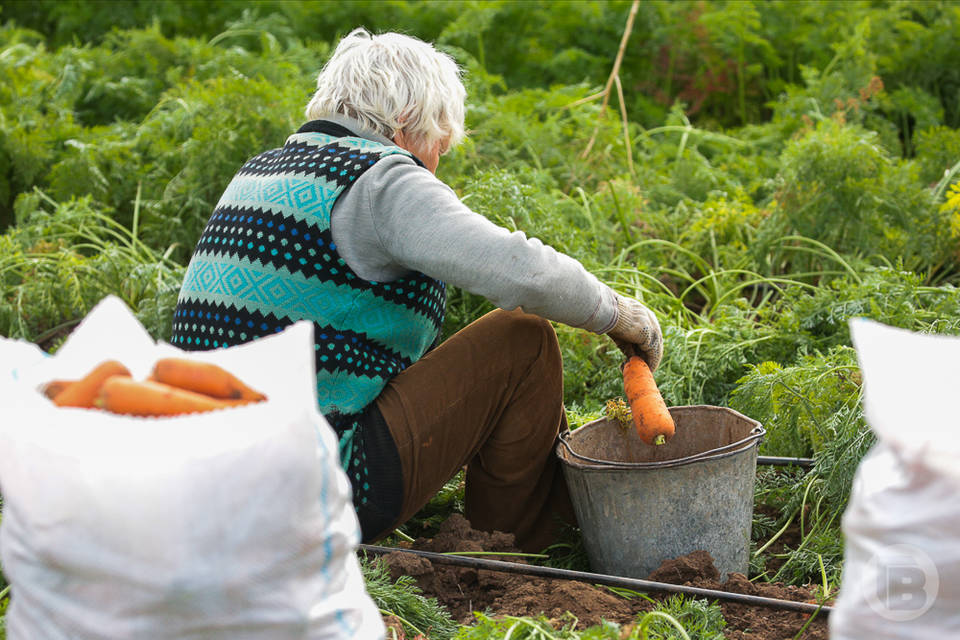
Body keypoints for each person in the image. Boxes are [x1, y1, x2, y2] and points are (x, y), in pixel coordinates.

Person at [170, 28, 663, 553]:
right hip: (305, 495)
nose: (435, 166)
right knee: (524, 341)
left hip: (201, 489)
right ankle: (514, 558)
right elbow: (524, 272)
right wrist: (620, 314)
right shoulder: (379, 181)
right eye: (439, 148)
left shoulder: (260, 171)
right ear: (407, 125)